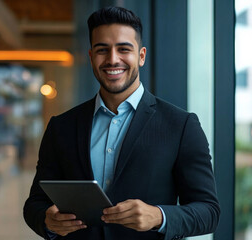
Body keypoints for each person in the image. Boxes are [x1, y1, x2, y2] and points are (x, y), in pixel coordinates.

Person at [24, 6, 220, 240]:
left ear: (141, 55)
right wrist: (48, 220)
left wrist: (158, 216)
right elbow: (35, 203)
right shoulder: (61, 127)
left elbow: (209, 212)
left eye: (123, 49)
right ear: (90, 57)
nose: (112, 59)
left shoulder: (181, 125)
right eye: (102, 50)